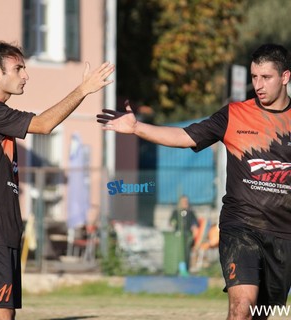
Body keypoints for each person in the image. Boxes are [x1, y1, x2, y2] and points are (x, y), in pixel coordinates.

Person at [97, 43, 291, 320]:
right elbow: (185, 137)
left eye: (266, 78)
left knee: (262, 312)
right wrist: (137, 127)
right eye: (254, 77)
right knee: (242, 307)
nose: (258, 85)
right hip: (241, 228)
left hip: (284, 234)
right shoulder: (235, 114)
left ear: (285, 77)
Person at [0, 41, 114, 320]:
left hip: (1, 228)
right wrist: (83, 90)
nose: (26, 75)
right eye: (18, 68)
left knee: (0, 315)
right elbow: (44, 124)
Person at [169, 195, 198, 272]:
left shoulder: (191, 212)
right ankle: (178, 268)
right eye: (183, 202)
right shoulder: (176, 212)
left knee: (186, 252)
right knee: (179, 252)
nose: (185, 203)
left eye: (186, 202)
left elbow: (195, 222)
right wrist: (173, 224)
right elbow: (171, 221)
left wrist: (194, 226)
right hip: (178, 236)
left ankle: (186, 267)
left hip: (187, 235)